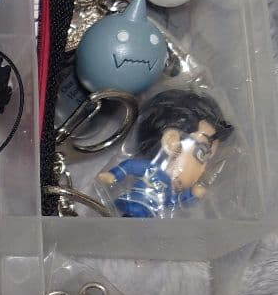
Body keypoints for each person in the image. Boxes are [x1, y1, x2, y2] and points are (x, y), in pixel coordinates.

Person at [97, 89, 233, 218]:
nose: (203, 171)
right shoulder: (151, 170)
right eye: (202, 155)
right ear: (171, 142)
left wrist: (193, 194)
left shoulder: (169, 192)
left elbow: (175, 201)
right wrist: (114, 175)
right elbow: (130, 166)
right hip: (134, 201)